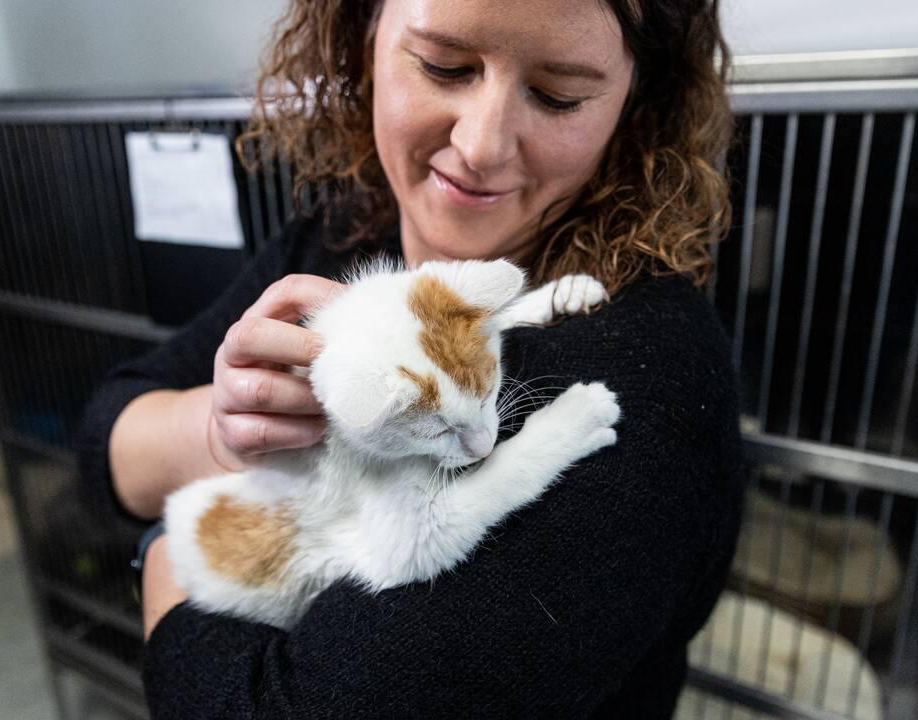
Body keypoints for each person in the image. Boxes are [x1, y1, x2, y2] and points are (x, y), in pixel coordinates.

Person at [77, 0, 745, 716]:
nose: (483, 145)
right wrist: (226, 429)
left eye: (558, 96)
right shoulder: (345, 232)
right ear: (361, 38)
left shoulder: (640, 372)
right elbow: (103, 442)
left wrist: (162, 569)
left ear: (636, 100)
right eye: (444, 66)